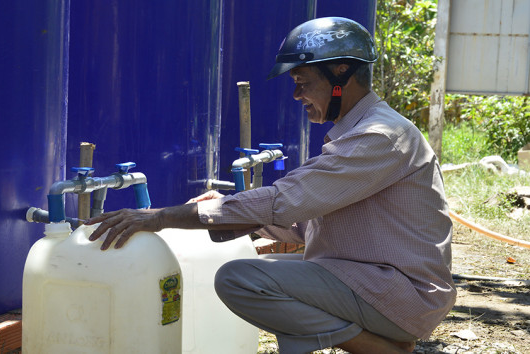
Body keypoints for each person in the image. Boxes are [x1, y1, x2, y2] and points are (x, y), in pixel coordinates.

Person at [86, 17, 456, 354]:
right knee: (265, 270)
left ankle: (380, 349)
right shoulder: (364, 132)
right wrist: (224, 211)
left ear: (341, 73)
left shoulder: (379, 137)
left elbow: (283, 201)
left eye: (303, 83)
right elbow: (304, 224)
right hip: (381, 282)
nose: (297, 96)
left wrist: (161, 217)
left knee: (240, 279)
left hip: (401, 291)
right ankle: (380, 340)